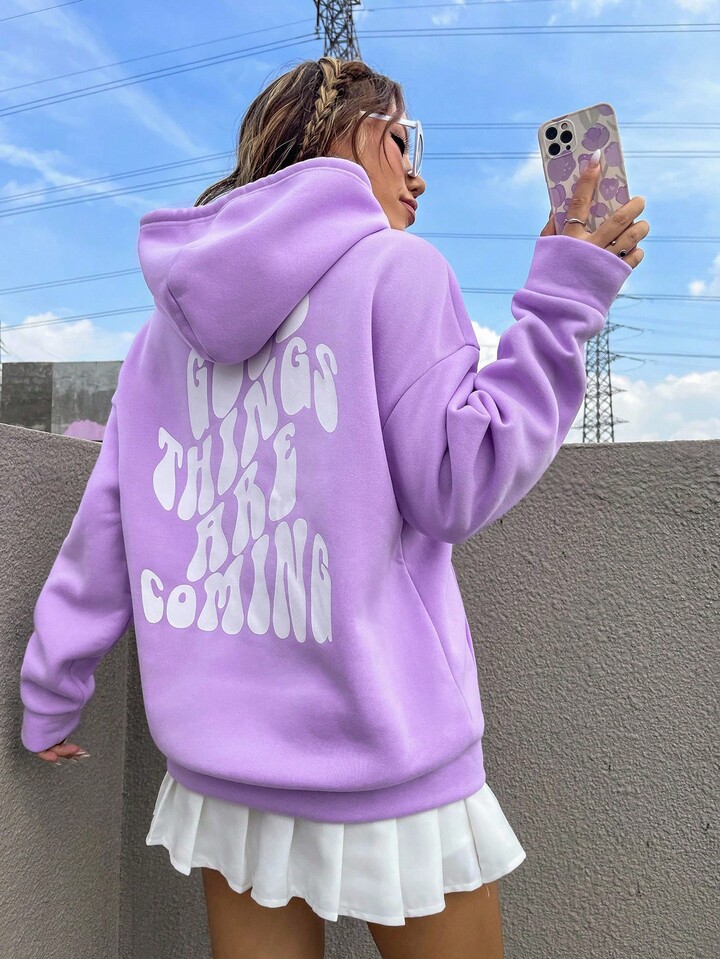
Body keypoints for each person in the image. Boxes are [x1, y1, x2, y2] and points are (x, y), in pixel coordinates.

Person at [19, 55, 648, 959]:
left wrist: (52, 691)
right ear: (338, 138)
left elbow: (107, 529)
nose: (417, 173)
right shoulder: (398, 272)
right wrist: (565, 298)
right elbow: (459, 483)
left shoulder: (162, 337)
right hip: (383, 754)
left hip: (224, 773)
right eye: (401, 139)